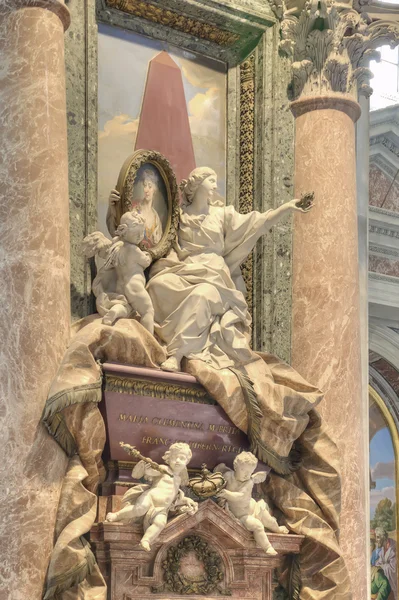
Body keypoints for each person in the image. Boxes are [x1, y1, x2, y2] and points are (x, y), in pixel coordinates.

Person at [147, 166, 312, 372]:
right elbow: (149, 230)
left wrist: (287, 208)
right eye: (212, 181)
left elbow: (258, 222)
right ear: (198, 184)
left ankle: (176, 353)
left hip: (213, 276)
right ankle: (153, 342)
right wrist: (114, 208)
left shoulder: (222, 215)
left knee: (202, 296)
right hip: (184, 268)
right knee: (157, 284)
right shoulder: (180, 216)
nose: (216, 186)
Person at [105, 442, 197, 551]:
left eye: (181, 458)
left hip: (162, 508)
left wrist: (187, 500)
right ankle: (116, 515)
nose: (177, 460)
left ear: (187, 461)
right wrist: (147, 469)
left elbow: (175, 496)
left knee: (160, 523)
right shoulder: (164, 470)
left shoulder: (179, 479)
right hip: (150, 497)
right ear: (168, 458)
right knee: (139, 509)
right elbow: (148, 473)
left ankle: (146, 540)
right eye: (174, 457)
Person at [82, 212, 154, 333]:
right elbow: (146, 262)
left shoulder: (116, 245)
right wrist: (149, 255)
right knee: (148, 311)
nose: (140, 236)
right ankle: (149, 342)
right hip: (135, 286)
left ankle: (115, 311)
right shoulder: (133, 249)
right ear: (124, 231)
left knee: (127, 307)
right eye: (137, 234)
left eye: (142, 233)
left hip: (121, 286)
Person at [215, 451, 289, 555]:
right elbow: (217, 484)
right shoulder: (227, 476)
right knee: (258, 525)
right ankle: (268, 545)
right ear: (235, 467)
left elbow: (240, 496)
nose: (246, 474)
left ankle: (273, 537)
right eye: (243, 470)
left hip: (249, 511)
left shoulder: (248, 482)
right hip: (238, 515)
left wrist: (226, 494)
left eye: (249, 472)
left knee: (266, 523)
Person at [107, 168, 163, 248]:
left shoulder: (156, 218)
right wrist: (113, 208)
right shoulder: (133, 208)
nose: (146, 190)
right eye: (145, 185)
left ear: (155, 190)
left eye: (150, 186)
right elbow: (118, 231)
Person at [375, 527, 397, 598]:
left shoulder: (394, 548)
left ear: (383, 537)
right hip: (386, 582)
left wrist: (381, 567)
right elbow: (379, 562)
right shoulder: (382, 549)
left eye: (378, 537)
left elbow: (394, 568)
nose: (376, 540)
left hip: (393, 584)